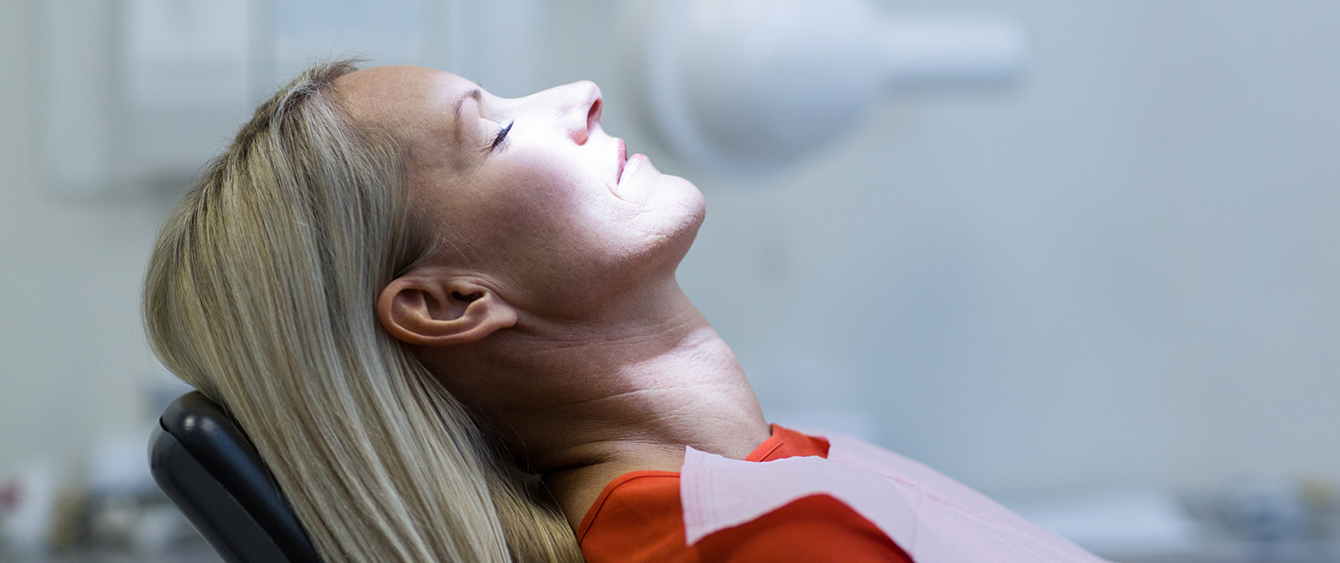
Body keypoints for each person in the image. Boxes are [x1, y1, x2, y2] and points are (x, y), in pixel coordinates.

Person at [144, 61, 1104, 563]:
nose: (583, 95)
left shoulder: (756, 490)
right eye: (502, 128)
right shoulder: (753, 544)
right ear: (450, 301)